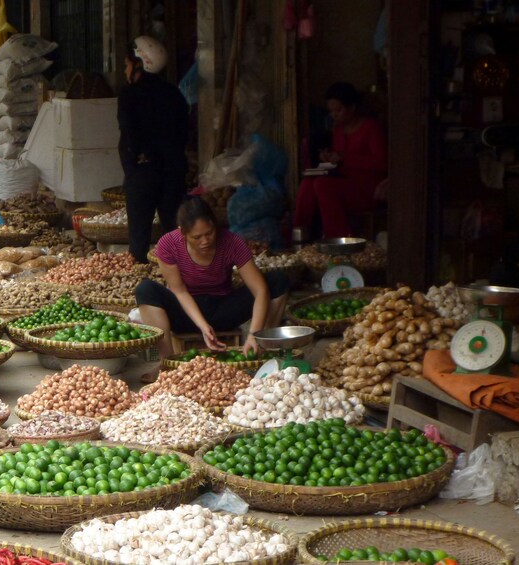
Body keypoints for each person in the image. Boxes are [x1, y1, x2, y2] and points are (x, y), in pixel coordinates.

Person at [135, 198, 289, 376]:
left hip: (224, 309)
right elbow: (180, 291)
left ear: (215, 226)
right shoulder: (168, 244)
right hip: (187, 313)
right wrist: (203, 326)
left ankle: (263, 349)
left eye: (209, 233)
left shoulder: (233, 242)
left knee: (278, 280)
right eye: (196, 237)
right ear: (182, 232)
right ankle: (167, 364)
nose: (205, 241)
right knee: (145, 290)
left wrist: (254, 334)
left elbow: (260, 290)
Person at [118, 36, 189, 264]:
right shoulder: (174, 93)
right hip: (172, 172)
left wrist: (132, 164)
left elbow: (129, 134)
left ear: (139, 64)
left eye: (127, 64)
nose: (125, 70)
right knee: (174, 232)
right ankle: (180, 276)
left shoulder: (130, 95)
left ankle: (139, 276)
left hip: (143, 173)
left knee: (139, 236)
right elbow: (184, 132)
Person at [293, 82, 388, 239]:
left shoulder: (370, 128)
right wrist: (330, 158)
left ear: (352, 107)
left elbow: (382, 163)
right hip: (344, 182)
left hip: (368, 189)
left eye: (338, 110)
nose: (334, 115)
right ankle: (298, 236)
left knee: (322, 185)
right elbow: (341, 161)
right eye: (331, 111)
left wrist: (345, 158)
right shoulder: (338, 130)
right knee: (307, 184)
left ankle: (339, 241)